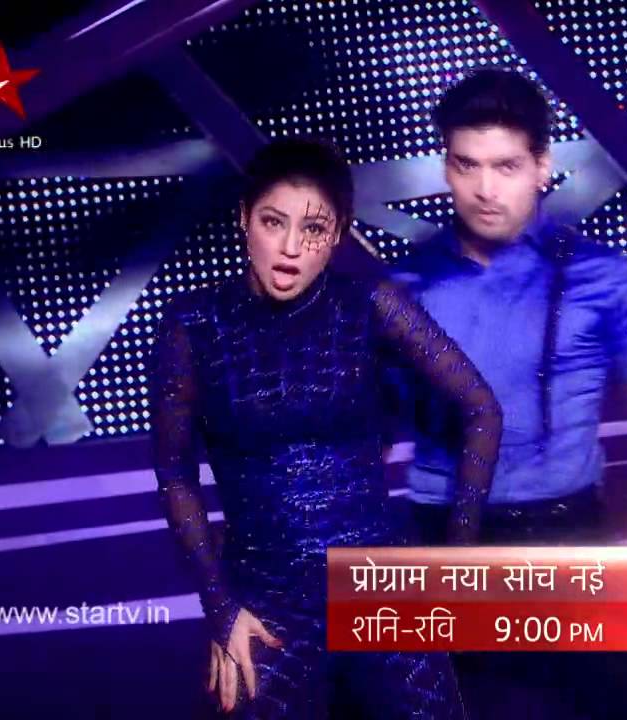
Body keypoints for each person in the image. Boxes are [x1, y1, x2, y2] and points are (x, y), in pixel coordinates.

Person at [390, 68, 627, 718]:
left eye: (506, 166)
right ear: (446, 167)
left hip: (569, 536)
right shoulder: (402, 286)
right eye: (466, 165)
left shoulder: (601, 277)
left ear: (542, 166)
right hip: (442, 542)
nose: (485, 189)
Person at [149, 137, 502, 718]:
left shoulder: (370, 304)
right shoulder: (195, 324)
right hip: (266, 607)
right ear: (244, 218)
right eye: (273, 222)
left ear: (337, 235)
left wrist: (457, 567)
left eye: (313, 229)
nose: (290, 247)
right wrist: (220, 608)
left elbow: (481, 408)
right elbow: (174, 470)